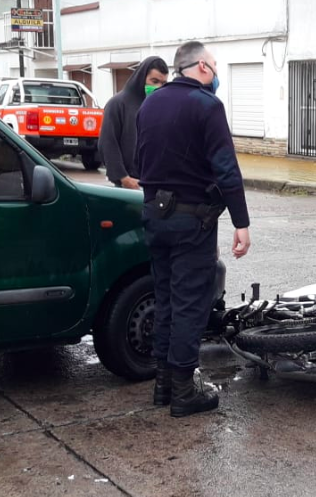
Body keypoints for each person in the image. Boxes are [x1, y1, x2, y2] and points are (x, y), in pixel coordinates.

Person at [137, 41, 251, 417]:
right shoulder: (207, 105)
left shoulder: (150, 103)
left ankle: (163, 385)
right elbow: (226, 168)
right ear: (201, 67)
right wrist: (241, 222)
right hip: (192, 220)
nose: (216, 75)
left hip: (155, 215)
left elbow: (141, 161)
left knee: (167, 299)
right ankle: (184, 392)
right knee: (189, 305)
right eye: (215, 67)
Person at [99, 56, 169, 189]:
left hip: (156, 184)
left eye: (163, 83)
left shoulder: (162, 106)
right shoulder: (118, 104)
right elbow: (108, 143)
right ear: (142, 78)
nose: (158, 87)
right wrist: (123, 178)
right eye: (154, 81)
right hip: (129, 184)